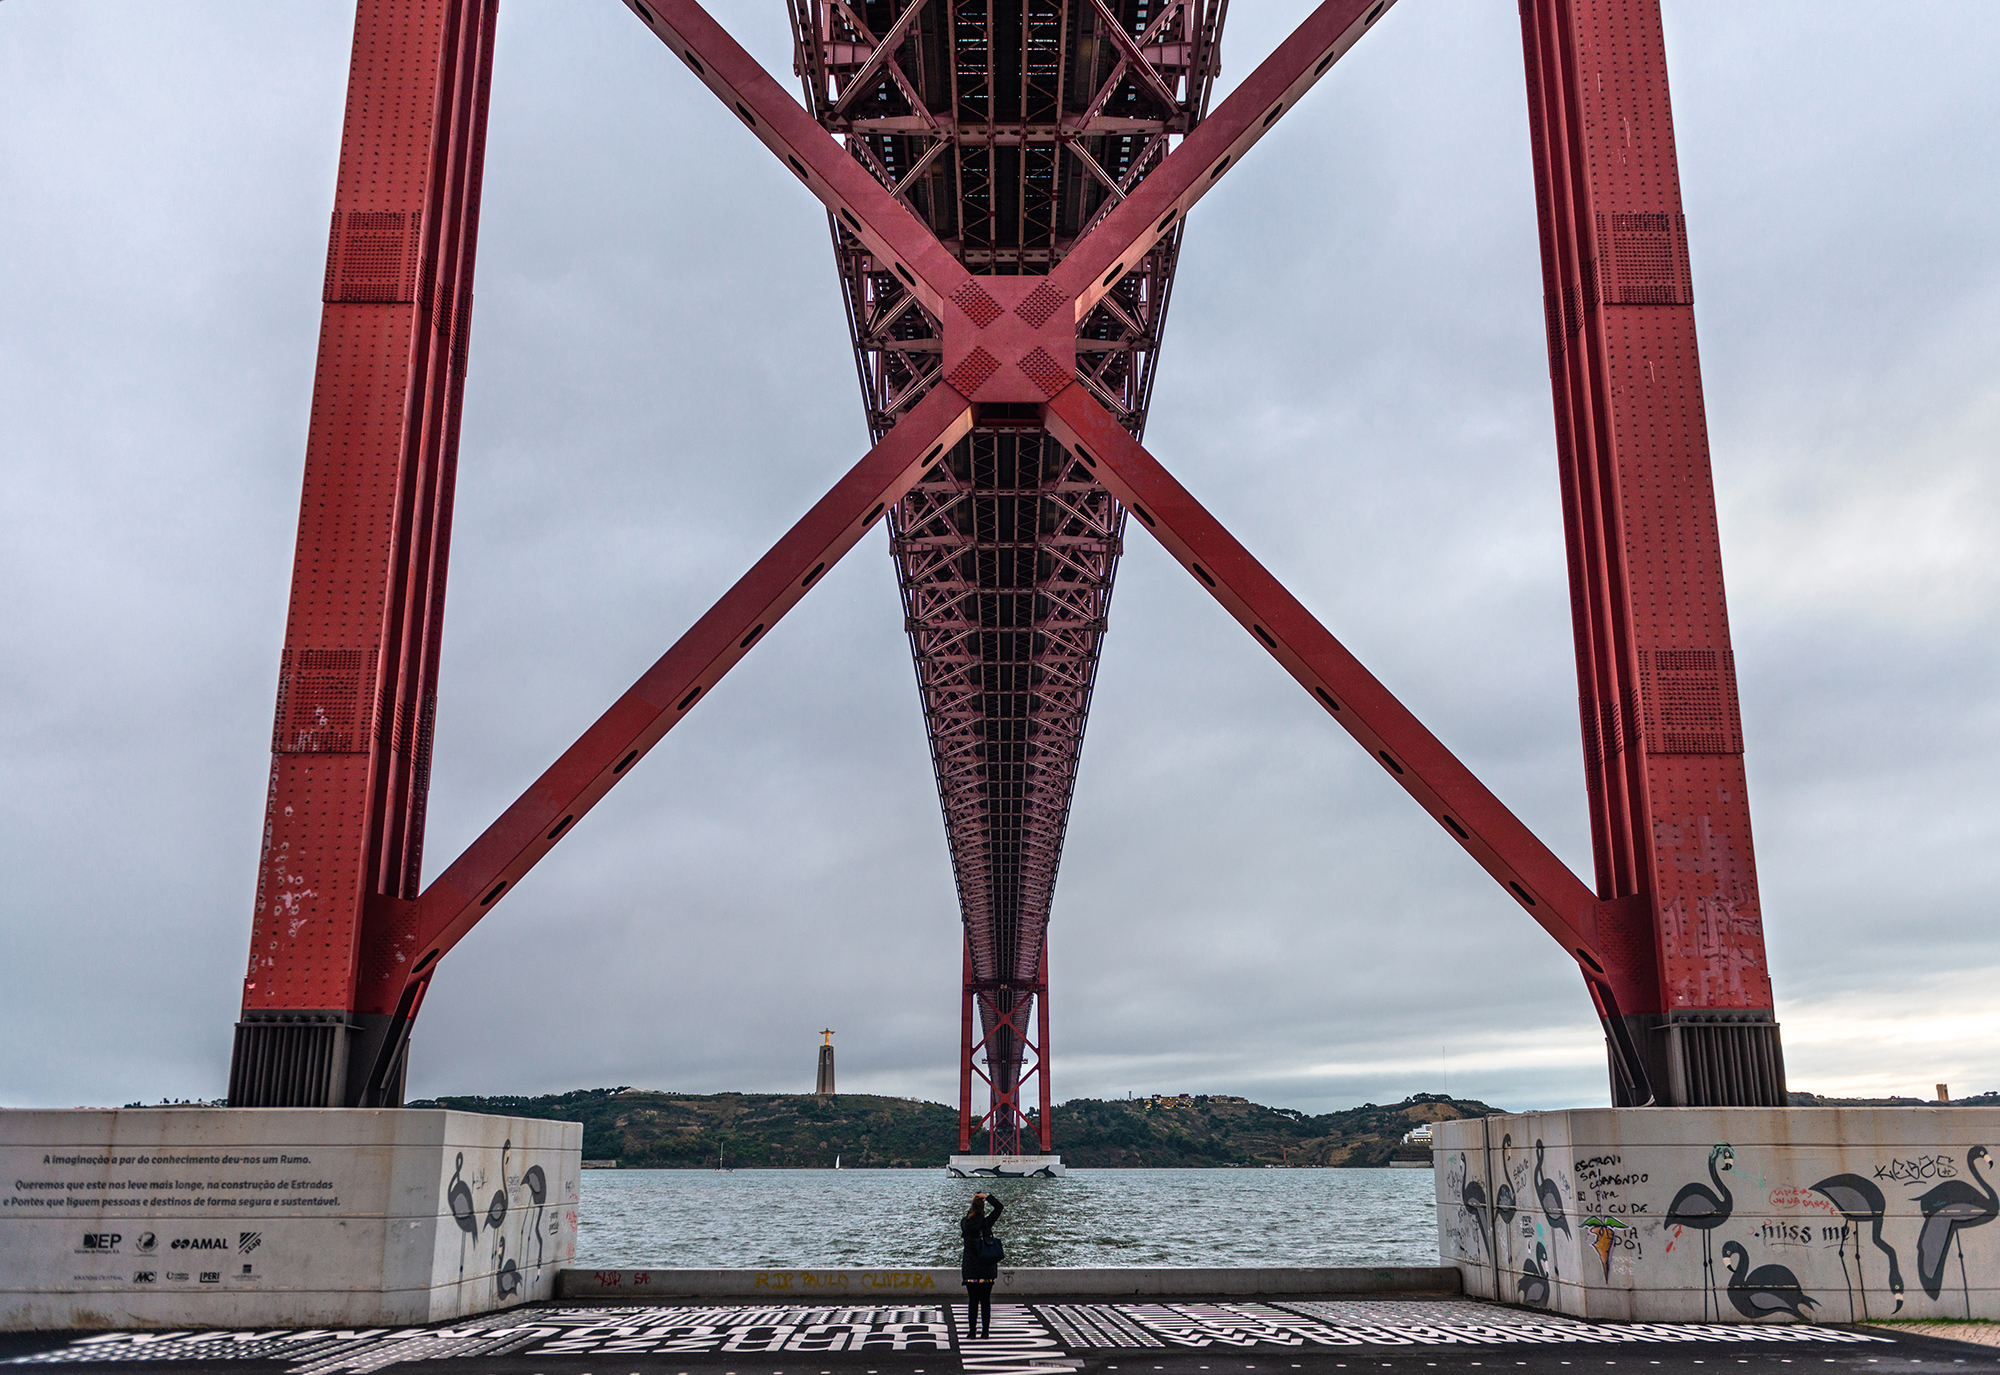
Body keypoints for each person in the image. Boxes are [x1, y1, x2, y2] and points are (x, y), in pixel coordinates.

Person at [959, 1191, 1004, 1340]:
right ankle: (985, 1332)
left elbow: (969, 1216)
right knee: (985, 1301)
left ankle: (972, 1332)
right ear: (983, 1210)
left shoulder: (965, 1224)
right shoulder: (986, 1224)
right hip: (986, 1269)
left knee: (973, 1301)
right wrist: (987, 1197)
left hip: (970, 1270)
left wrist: (974, 1205)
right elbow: (999, 1207)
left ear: (971, 1208)